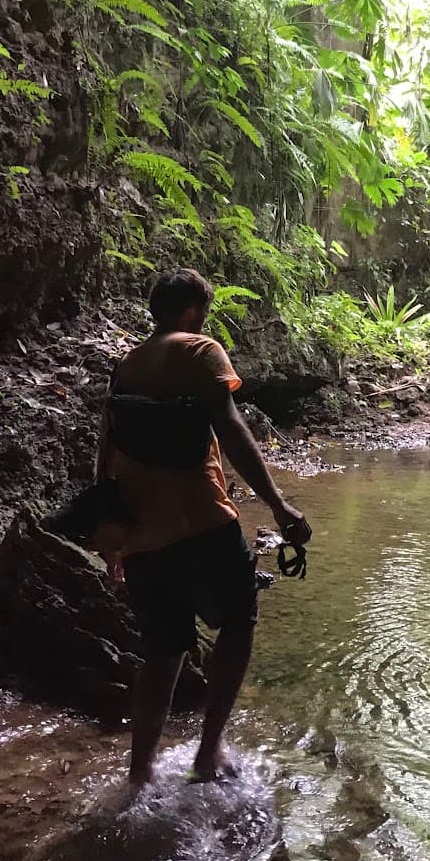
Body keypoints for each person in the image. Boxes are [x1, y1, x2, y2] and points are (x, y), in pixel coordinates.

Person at [98, 268, 311, 786]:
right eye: (205, 312)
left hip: (143, 536)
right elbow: (232, 431)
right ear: (193, 311)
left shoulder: (125, 367)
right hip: (202, 523)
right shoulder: (199, 350)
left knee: (162, 648)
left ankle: (140, 771)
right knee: (238, 623)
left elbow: (105, 456)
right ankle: (208, 752)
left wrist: (112, 541)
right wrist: (280, 508)